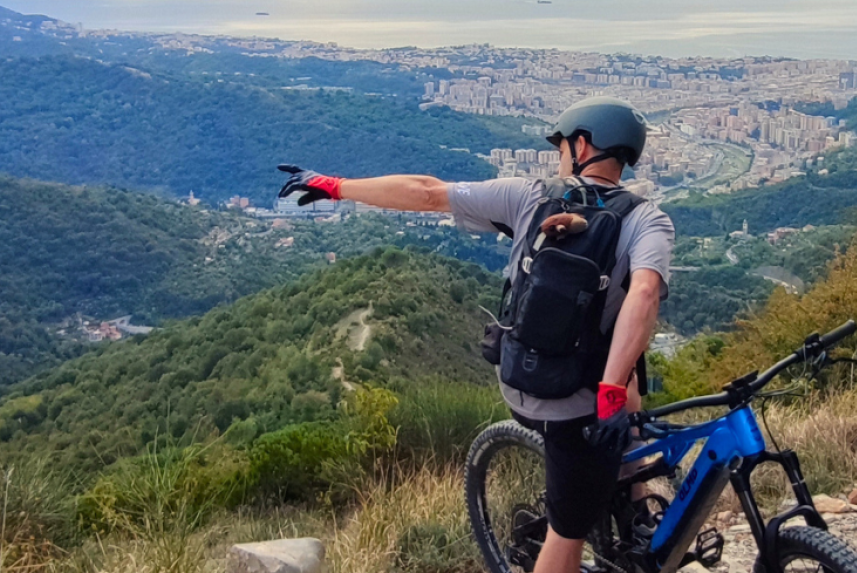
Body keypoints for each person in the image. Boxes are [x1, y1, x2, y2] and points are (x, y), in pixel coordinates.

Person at [278, 96, 674, 573]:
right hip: (577, 401)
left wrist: (335, 186)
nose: (558, 156)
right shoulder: (646, 219)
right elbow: (645, 294)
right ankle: (616, 510)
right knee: (564, 540)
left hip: (519, 376)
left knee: (620, 370)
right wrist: (610, 393)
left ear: (582, 144)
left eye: (561, 146)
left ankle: (629, 505)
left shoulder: (529, 194)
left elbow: (425, 191)